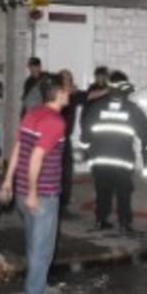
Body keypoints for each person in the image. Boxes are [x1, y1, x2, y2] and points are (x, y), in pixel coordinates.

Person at [0, 78, 70, 294]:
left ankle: (40, 289)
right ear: (58, 94)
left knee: (34, 246)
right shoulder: (55, 121)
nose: (70, 92)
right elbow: (37, 156)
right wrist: (33, 192)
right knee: (42, 250)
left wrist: (8, 180)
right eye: (67, 89)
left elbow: (19, 147)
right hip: (42, 194)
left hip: (21, 190)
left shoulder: (33, 114)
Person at [79, 70, 147, 235]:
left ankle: (101, 220)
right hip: (122, 160)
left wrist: (85, 152)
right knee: (123, 192)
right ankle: (124, 223)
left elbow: (85, 134)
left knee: (102, 190)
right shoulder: (132, 110)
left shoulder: (96, 107)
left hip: (99, 160)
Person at [56, 69, 83, 218]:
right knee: (55, 173)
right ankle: (55, 205)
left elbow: (87, 97)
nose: (68, 81)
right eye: (65, 79)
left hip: (65, 139)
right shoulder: (55, 95)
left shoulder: (73, 96)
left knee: (67, 172)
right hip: (54, 139)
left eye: (69, 79)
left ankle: (63, 205)